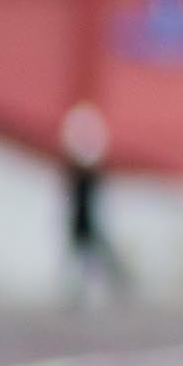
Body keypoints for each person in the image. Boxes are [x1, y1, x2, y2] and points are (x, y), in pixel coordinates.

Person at [58, 102, 128, 305]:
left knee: (92, 252)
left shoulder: (88, 176)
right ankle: (82, 290)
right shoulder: (81, 176)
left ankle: (115, 281)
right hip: (83, 218)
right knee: (86, 253)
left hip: (88, 218)